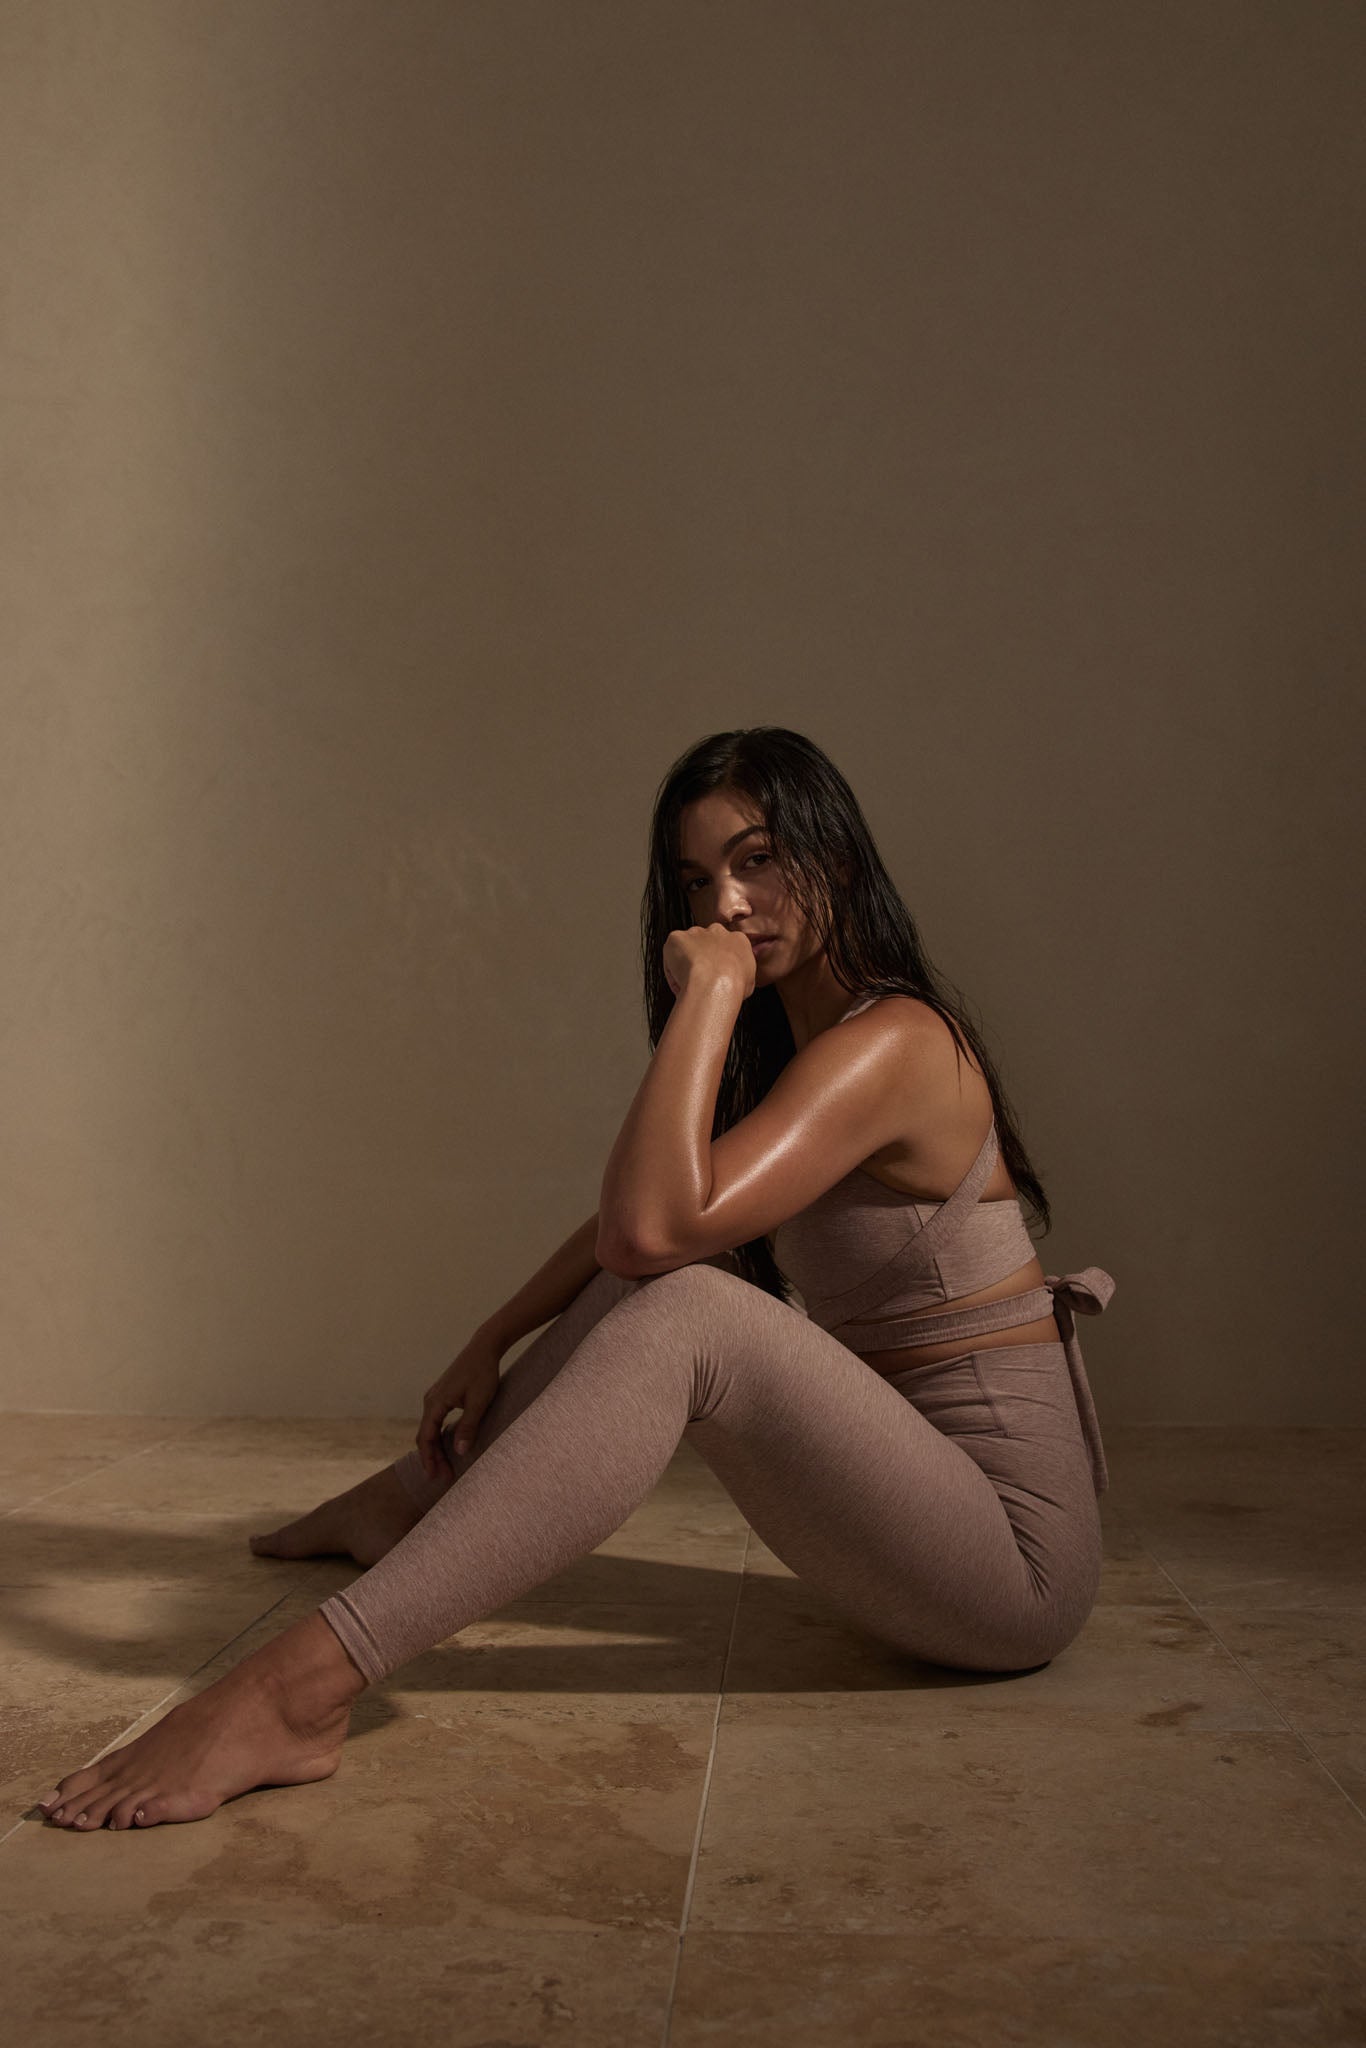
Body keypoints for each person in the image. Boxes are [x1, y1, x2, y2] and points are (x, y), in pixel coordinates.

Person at [38, 725, 1113, 1832]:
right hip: (922, 1518)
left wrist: (703, 999)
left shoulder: (891, 1040)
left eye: (757, 860)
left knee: (690, 1305)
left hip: (1010, 1572)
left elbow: (652, 1229)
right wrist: (494, 1332)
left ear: (835, 859)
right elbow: (632, 1235)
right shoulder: (814, 1049)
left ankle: (298, 1689)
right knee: (669, 1280)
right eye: (696, 881)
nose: (727, 906)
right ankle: (406, 1498)